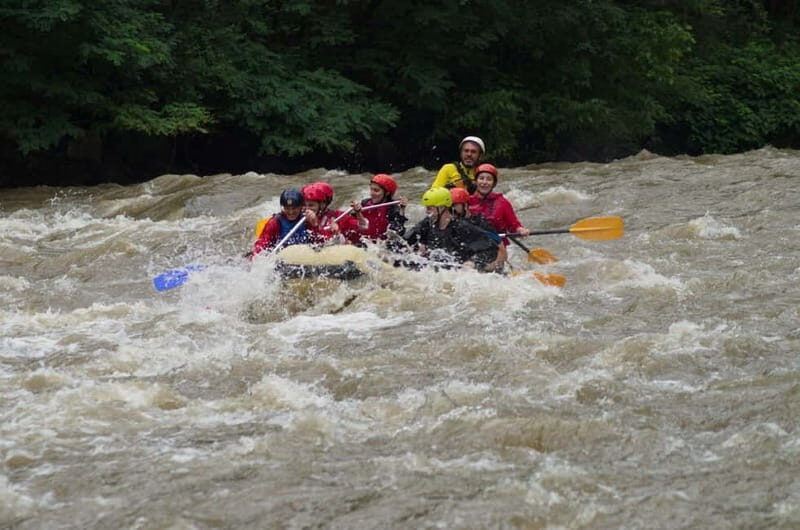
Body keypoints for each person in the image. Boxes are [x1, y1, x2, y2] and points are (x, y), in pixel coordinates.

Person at [403, 187, 503, 272]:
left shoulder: (462, 227)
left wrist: (473, 262)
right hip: (435, 270)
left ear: (442, 207)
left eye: (430, 208)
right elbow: (405, 241)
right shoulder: (427, 224)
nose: (427, 211)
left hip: (458, 273)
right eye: (427, 208)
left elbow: (491, 249)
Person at [468, 164, 531, 244]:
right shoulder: (467, 201)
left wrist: (521, 230)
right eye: (481, 178)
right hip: (474, 244)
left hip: (498, 245)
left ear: (494, 184)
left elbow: (514, 226)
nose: (484, 182)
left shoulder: (502, 203)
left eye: (489, 179)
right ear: (475, 181)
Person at [450, 187, 508, 270]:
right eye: (450, 206)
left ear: (465, 205)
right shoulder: (451, 224)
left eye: (455, 205)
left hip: (484, 263)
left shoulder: (480, 222)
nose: (452, 209)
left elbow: (500, 247)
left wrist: (493, 267)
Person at [348, 174, 408, 244]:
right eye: (371, 189)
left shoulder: (393, 209)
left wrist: (402, 210)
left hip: (384, 246)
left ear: (387, 193)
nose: (372, 193)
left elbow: (397, 231)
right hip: (367, 241)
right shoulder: (365, 203)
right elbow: (361, 225)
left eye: (376, 190)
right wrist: (357, 212)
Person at [251, 188, 309, 256]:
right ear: (283, 207)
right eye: (287, 208)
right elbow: (261, 245)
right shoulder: (274, 223)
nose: (291, 212)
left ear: (301, 207)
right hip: (280, 257)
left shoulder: (307, 219)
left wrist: (315, 223)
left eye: (294, 208)